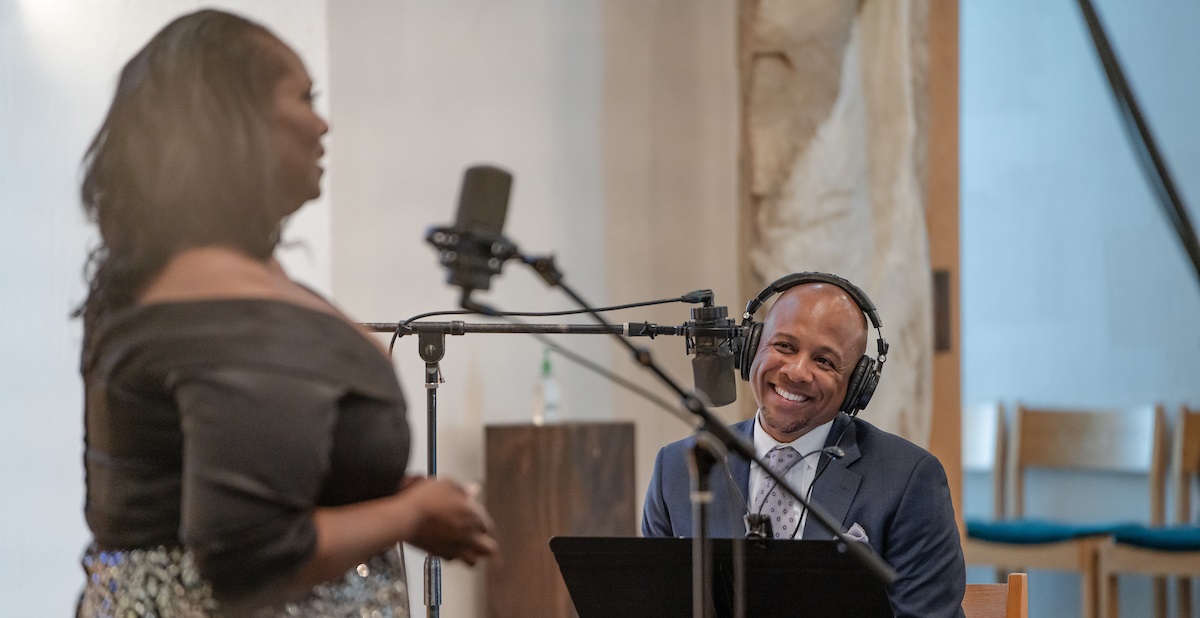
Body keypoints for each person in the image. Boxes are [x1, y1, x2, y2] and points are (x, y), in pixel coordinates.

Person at [75, 9, 496, 616]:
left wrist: (377, 496)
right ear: (235, 122)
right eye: (304, 98)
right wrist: (413, 514)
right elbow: (252, 554)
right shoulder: (233, 315)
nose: (323, 123)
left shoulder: (168, 285)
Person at [642, 274, 965, 618]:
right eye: (784, 346)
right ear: (751, 348)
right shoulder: (678, 469)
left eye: (824, 361)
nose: (797, 372)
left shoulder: (908, 481)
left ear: (856, 386)